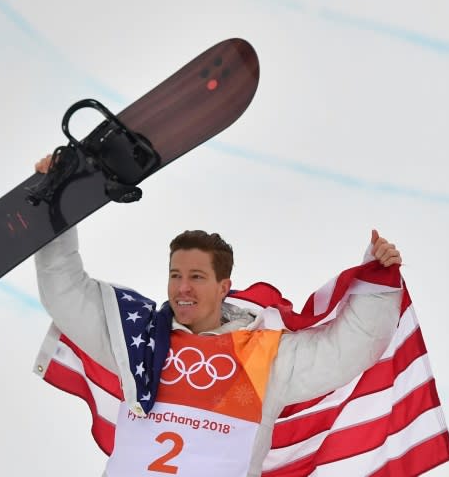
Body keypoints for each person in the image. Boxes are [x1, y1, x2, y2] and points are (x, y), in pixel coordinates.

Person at [31, 155, 403, 477]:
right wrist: (56, 204)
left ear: (224, 286)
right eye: (175, 275)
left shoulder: (263, 356)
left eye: (196, 277)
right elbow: (64, 292)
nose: (183, 288)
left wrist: (377, 280)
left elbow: (350, 349)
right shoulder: (135, 340)